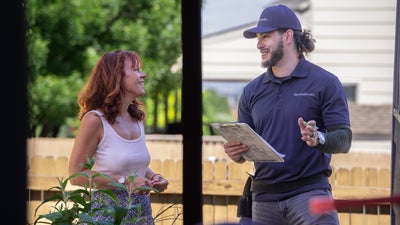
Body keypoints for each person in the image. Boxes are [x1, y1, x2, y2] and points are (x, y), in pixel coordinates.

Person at [223, 4, 352, 225]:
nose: (259, 44)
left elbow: (344, 140)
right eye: (258, 38)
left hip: (309, 195)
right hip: (263, 199)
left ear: (288, 35)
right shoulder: (251, 91)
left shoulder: (325, 83)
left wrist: (318, 138)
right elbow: (247, 145)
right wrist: (237, 152)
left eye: (265, 36)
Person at [69, 50, 169, 225]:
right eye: (136, 69)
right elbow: (77, 175)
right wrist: (125, 182)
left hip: (141, 216)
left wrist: (153, 177)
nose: (143, 74)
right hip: (106, 218)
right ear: (117, 77)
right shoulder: (95, 120)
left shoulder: (138, 119)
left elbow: (131, 165)